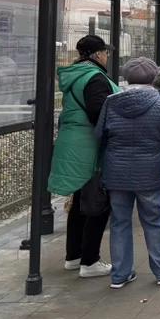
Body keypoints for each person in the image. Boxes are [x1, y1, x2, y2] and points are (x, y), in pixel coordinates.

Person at [95, 57, 160, 288]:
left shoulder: (111, 102)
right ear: (154, 78)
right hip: (150, 170)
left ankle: (119, 274)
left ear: (126, 77)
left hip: (117, 170)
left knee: (119, 221)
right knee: (154, 219)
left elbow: (100, 136)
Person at [49, 35, 119, 278]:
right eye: (105, 52)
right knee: (98, 202)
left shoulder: (76, 75)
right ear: (97, 54)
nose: (107, 56)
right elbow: (98, 112)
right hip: (89, 146)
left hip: (73, 142)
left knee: (80, 201)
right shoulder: (95, 77)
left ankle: (74, 255)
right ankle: (90, 261)